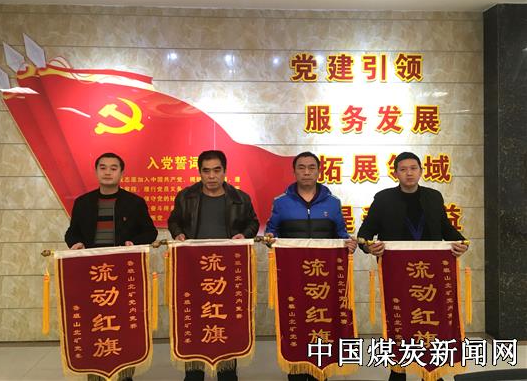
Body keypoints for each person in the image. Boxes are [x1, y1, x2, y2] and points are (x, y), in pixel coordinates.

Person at [357, 151, 468, 381]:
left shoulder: (433, 197)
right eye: (403, 169)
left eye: (413, 168)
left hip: (431, 274)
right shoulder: (384, 199)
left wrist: (461, 242)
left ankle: (431, 369)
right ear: (396, 173)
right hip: (398, 274)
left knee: (432, 317)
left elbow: (445, 228)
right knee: (401, 320)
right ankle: (398, 370)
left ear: (421, 171)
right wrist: (369, 247)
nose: (409, 173)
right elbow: (365, 233)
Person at [65, 152, 158, 381]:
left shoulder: (134, 203)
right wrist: (75, 243)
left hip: (121, 275)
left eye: (113, 168)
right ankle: (95, 372)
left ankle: (124, 373)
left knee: (122, 324)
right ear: (96, 171)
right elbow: (72, 232)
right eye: (103, 167)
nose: (108, 172)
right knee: (94, 324)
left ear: (121, 173)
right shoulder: (83, 203)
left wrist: (133, 242)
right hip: (92, 275)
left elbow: (150, 232)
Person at [168, 150, 259, 381]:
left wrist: (244, 235)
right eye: (206, 171)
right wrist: (178, 233)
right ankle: (194, 372)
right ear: (199, 172)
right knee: (194, 320)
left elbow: (253, 223)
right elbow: (174, 220)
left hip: (226, 273)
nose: (211, 176)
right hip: (194, 271)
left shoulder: (240, 198)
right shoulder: (186, 197)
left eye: (216, 170)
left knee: (226, 320)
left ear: (224, 171)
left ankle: (227, 372)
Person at [265, 151, 357, 381]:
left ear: (318, 171)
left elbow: (341, 234)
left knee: (322, 320)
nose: (306, 172)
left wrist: (349, 243)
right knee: (295, 322)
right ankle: (296, 370)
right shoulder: (281, 203)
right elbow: (271, 232)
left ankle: (320, 370)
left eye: (311, 167)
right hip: (293, 278)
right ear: (294, 171)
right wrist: (269, 239)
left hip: (323, 280)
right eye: (301, 167)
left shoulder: (333, 203)